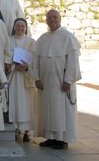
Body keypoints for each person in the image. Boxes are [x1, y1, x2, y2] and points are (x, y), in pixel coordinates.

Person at [35, 9, 81, 150]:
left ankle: (61, 139)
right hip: (46, 83)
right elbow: (35, 61)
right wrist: (36, 78)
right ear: (46, 21)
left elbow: (73, 62)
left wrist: (68, 80)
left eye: (55, 17)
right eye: (50, 18)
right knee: (47, 109)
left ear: (60, 19)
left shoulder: (68, 37)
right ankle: (50, 137)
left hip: (61, 83)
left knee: (61, 110)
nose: (53, 20)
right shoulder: (42, 38)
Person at [8, 18, 38, 142]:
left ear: (26, 28)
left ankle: (26, 131)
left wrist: (27, 67)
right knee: (15, 102)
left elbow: (35, 59)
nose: (20, 28)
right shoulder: (9, 40)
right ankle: (16, 129)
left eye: (22, 26)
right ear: (14, 27)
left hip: (26, 76)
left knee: (27, 104)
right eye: (17, 26)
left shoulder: (32, 42)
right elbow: (6, 55)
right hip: (14, 76)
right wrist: (15, 66)